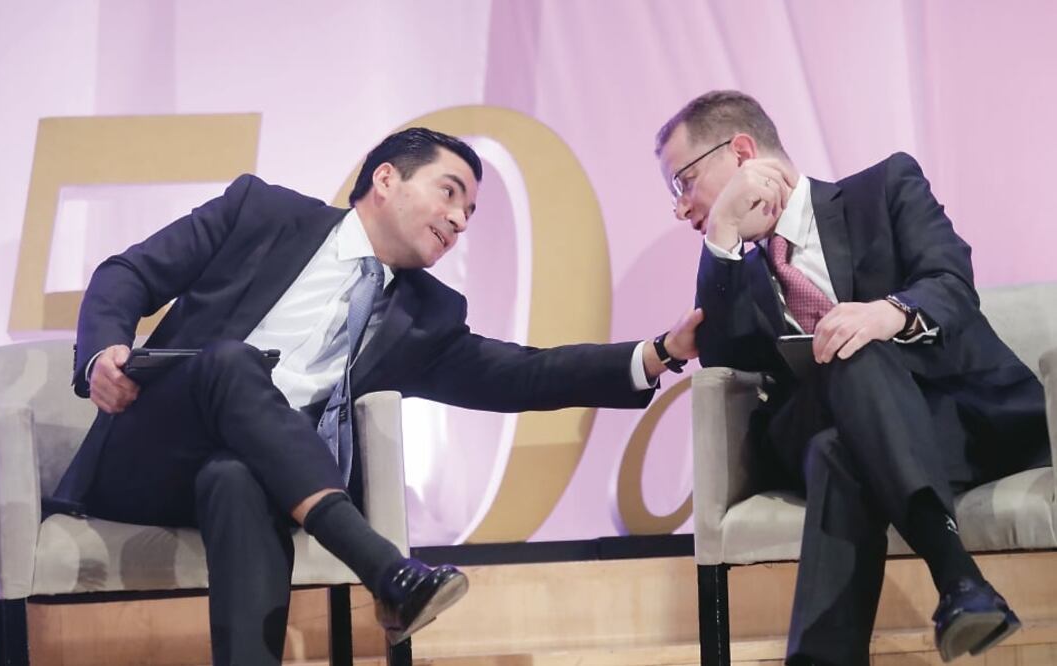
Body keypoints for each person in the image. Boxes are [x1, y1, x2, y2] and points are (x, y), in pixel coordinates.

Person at [52, 127, 701, 665]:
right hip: (150, 447)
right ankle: (384, 568)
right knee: (231, 364)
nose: (458, 220)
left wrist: (656, 354)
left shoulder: (424, 315)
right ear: (386, 179)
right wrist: (102, 352)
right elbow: (128, 273)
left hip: (265, 475)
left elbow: (520, 374)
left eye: (470, 213)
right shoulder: (261, 213)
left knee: (235, 477)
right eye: (451, 193)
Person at [654, 91, 1049, 665]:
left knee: (842, 438)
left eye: (683, 182)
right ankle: (959, 579)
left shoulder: (884, 187)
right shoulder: (735, 263)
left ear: (741, 151)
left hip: (955, 420)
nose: (680, 206)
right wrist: (720, 234)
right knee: (844, 359)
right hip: (809, 421)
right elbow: (722, 357)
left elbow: (950, 279)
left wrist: (886, 314)